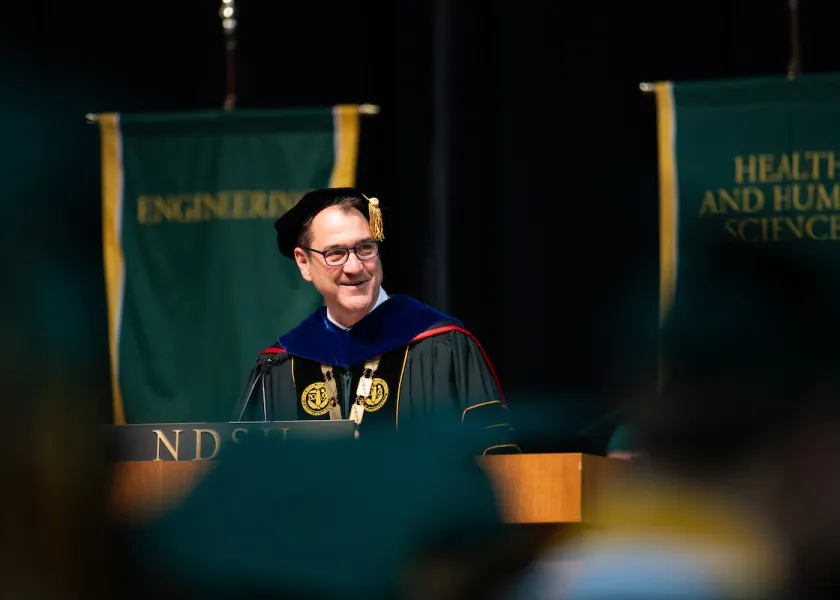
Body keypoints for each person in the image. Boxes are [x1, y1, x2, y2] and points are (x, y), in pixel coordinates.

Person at [232, 187, 516, 454]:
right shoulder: (279, 366)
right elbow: (244, 480)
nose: (354, 267)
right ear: (304, 263)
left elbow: (496, 461)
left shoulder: (444, 347)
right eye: (335, 254)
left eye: (365, 248)